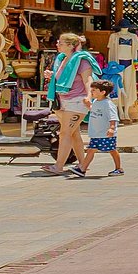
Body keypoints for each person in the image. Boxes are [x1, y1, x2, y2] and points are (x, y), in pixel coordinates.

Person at [43, 32, 100, 176]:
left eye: (61, 43)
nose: (57, 44)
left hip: (77, 101)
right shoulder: (62, 59)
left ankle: (59, 166)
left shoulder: (82, 61)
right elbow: (65, 78)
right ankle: (82, 164)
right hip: (63, 101)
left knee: (65, 133)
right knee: (74, 133)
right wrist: (52, 75)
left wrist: (89, 97)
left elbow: (88, 80)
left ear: (70, 45)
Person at [73, 79, 124, 178]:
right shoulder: (96, 101)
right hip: (96, 133)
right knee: (91, 150)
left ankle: (118, 168)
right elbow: (95, 111)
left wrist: (112, 128)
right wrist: (89, 105)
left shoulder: (108, 104)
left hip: (105, 134)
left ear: (103, 92)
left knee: (112, 150)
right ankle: (82, 169)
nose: (91, 92)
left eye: (94, 90)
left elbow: (113, 118)